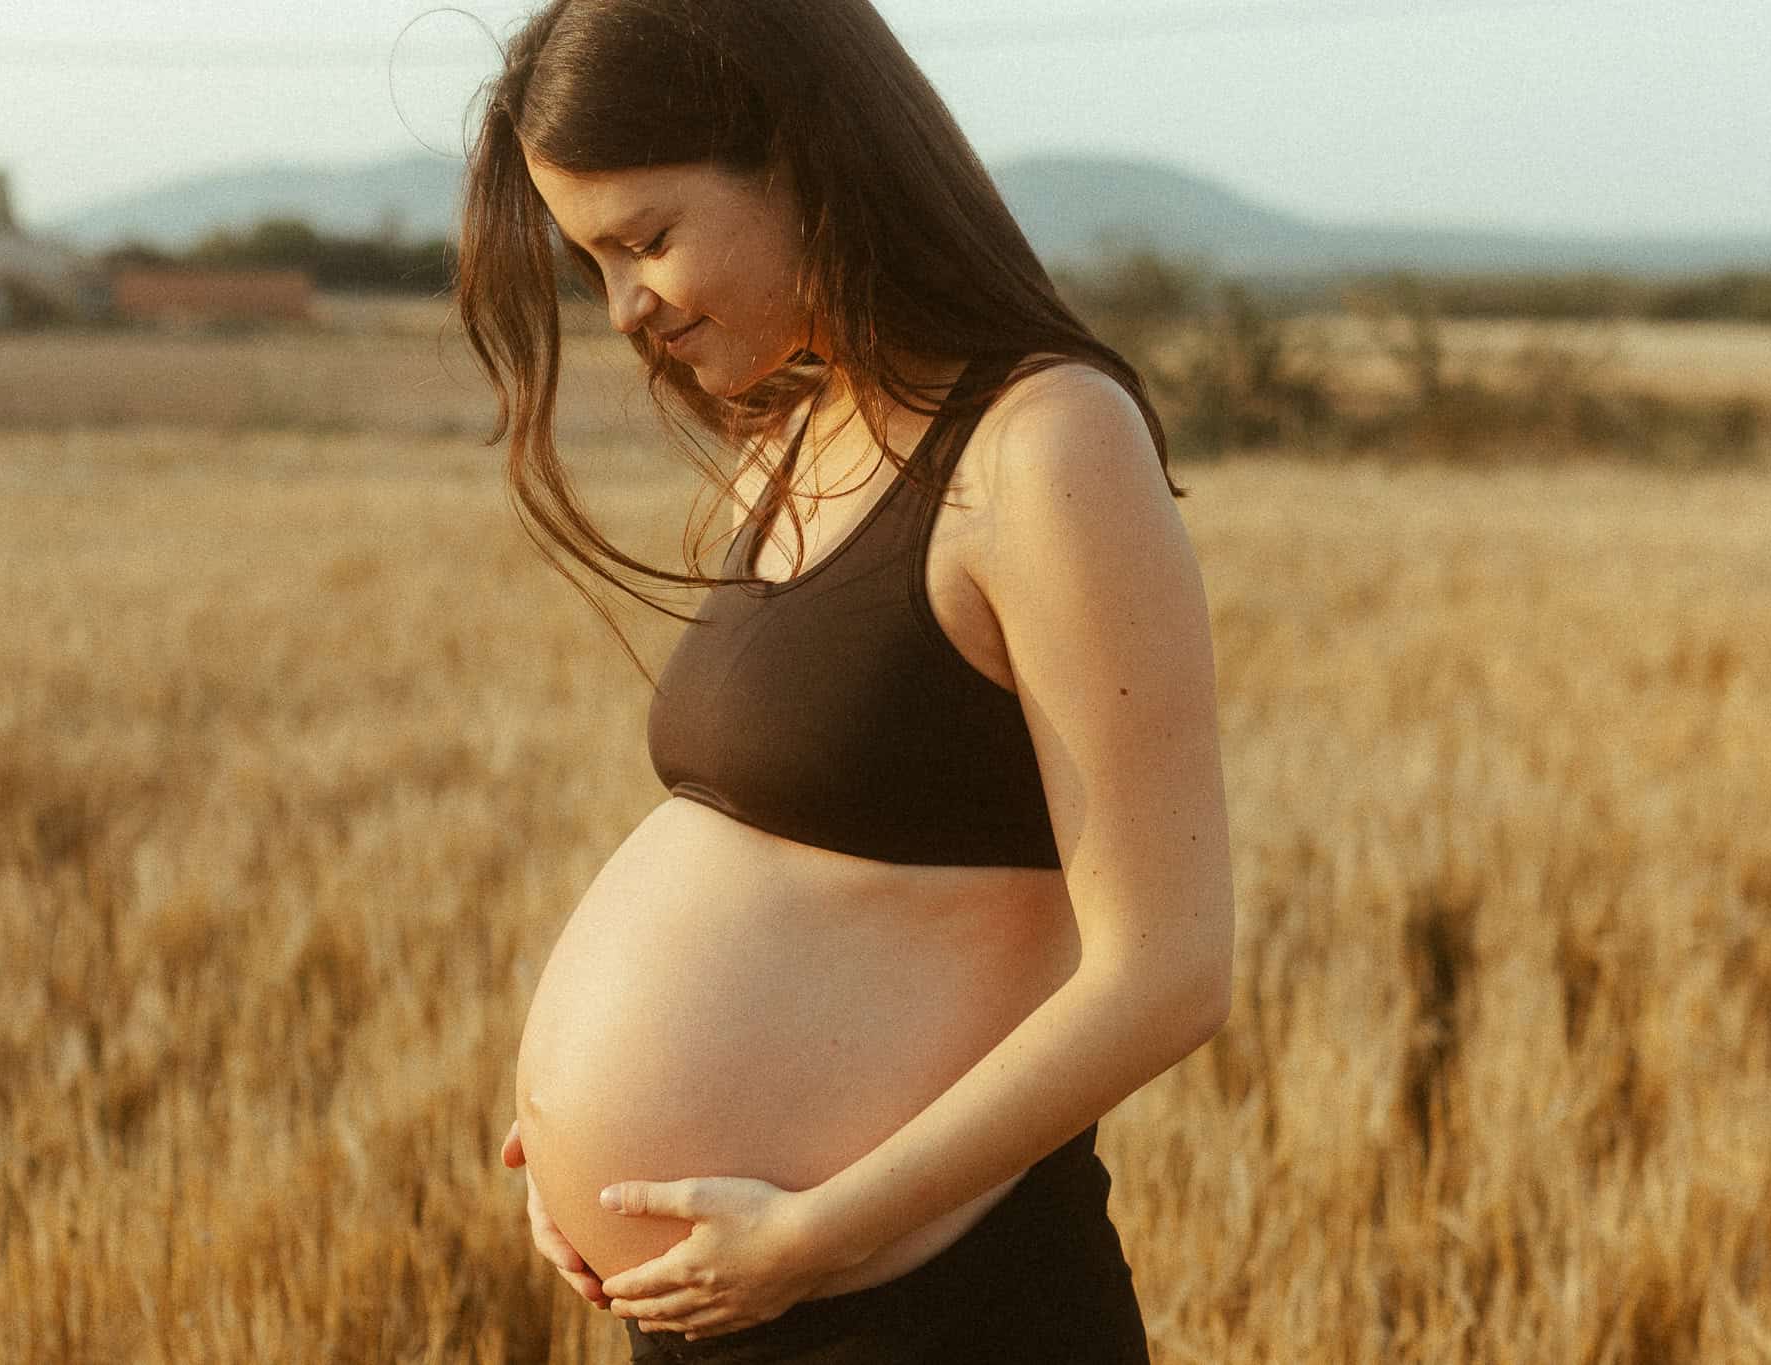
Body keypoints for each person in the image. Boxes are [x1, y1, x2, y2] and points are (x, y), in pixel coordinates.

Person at [456, 2, 1234, 1360]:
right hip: (738, 1307)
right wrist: (580, 1132)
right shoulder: (798, 436)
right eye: (592, 261)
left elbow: (1166, 972)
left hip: (930, 1312)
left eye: (647, 237)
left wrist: (824, 1234)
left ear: (811, 160)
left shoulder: (1044, 446)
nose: (626, 305)